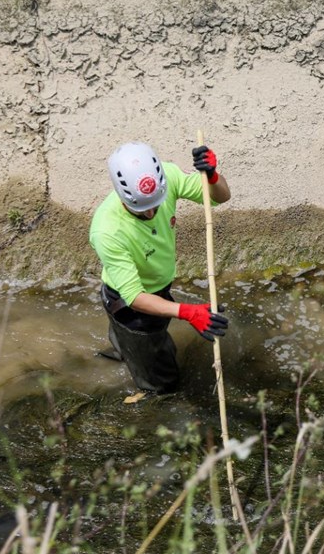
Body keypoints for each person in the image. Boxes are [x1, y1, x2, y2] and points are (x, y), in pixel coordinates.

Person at [89, 141, 231, 394]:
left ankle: (126, 353)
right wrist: (189, 312)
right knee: (163, 382)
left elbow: (220, 197)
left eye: (156, 203)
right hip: (128, 303)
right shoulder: (106, 230)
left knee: (138, 346)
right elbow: (133, 296)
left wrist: (212, 176)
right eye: (142, 209)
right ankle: (150, 389)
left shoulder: (168, 176)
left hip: (158, 287)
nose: (152, 212)